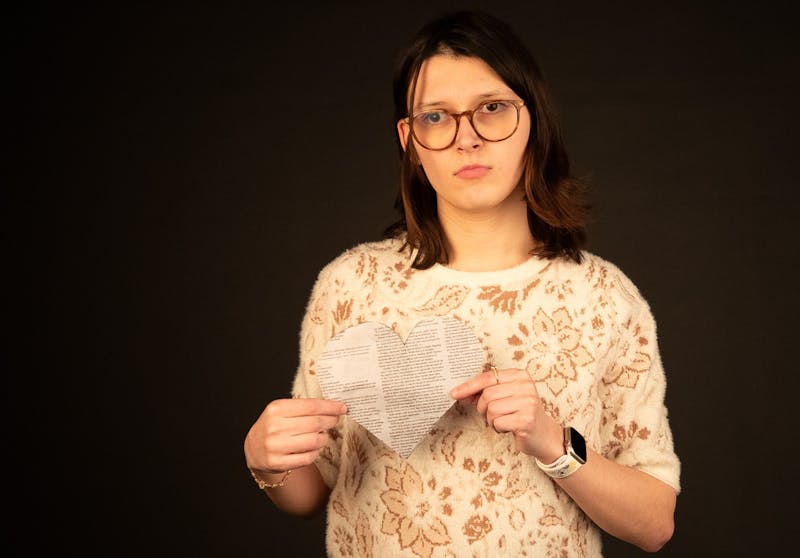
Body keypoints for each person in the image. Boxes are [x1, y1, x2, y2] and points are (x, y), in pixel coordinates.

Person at [244, 10, 680, 557]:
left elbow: (655, 523)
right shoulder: (350, 286)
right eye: (436, 117)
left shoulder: (604, 299)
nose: (466, 139)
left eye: (492, 109)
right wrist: (267, 461)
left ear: (532, 120)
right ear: (409, 138)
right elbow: (312, 489)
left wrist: (550, 441)